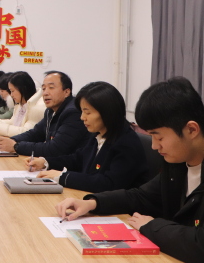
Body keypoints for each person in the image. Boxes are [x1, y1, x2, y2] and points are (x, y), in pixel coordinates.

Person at [56, 77, 204, 263]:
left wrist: (152, 226)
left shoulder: (170, 156)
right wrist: (93, 203)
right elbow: (141, 196)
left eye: (159, 137)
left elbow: (200, 244)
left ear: (191, 130)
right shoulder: (177, 163)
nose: (154, 146)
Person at [26, 81, 149, 193]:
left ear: (107, 112)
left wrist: (63, 177)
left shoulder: (126, 143)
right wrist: (46, 162)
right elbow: (78, 159)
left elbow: (108, 184)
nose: (82, 117)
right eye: (82, 112)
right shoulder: (98, 134)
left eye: (88, 112)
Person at [0, 71, 90, 156]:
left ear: (67, 92)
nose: (45, 93)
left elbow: (55, 148)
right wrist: (12, 140)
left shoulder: (72, 113)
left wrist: (16, 146)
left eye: (51, 87)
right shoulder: (50, 111)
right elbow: (35, 133)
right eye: (43, 89)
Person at [0, 71, 46, 136]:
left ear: (22, 89)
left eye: (12, 91)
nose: (11, 95)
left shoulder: (37, 108)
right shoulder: (21, 104)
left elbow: (25, 131)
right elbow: (13, 122)